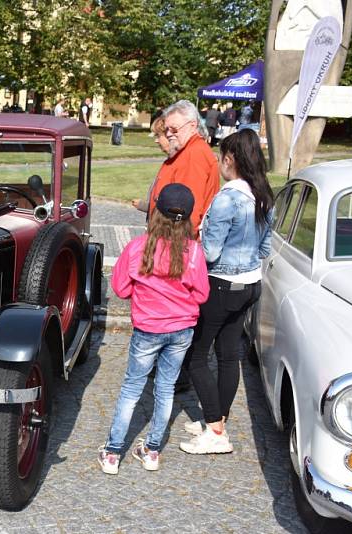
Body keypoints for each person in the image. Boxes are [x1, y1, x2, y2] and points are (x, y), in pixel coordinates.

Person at [98, 183, 210, 474]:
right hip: (182, 330)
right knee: (166, 389)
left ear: (156, 212)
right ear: (187, 218)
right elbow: (202, 295)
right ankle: (151, 451)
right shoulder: (195, 252)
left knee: (132, 387)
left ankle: (112, 453)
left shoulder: (138, 247)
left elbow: (120, 288)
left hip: (148, 329)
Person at [180, 129, 274, 455]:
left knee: (196, 357)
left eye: (222, 157)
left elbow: (209, 252)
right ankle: (216, 418)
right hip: (251, 284)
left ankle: (216, 431)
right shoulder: (263, 195)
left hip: (221, 284)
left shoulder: (227, 198)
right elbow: (265, 248)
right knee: (228, 354)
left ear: (230, 158)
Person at [147, 100, 220, 236]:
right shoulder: (187, 151)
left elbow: (189, 212)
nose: (168, 134)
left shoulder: (194, 155)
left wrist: (177, 249)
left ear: (193, 126)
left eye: (174, 129)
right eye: (167, 129)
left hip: (175, 243)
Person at [131, 117, 170, 215]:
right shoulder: (169, 162)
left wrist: (144, 206)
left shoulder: (177, 165)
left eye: (158, 135)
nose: (156, 141)